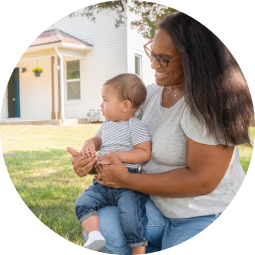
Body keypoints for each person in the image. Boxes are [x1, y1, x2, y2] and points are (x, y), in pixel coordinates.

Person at [67, 11, 253, 253]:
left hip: (201, 215)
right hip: (154, 204)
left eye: (163, 59)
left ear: (195, 59)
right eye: (152, 53)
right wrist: (93, 163)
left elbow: (202, 181)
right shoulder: (150, 95)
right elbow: (124, 145)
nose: (153, 64)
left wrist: (126, 179)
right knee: (104, 229)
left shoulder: (213, 106)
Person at [74, 73, 152, 254]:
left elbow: (144, 152)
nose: (101, 105)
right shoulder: (107, 124)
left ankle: (138, 251)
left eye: (105, 100)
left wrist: (117, 156)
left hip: (128, 183)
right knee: (83, 202)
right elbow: (97, 140)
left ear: (126, 106)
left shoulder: (135, 126)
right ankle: (94, 236)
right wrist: (89, 143)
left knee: (130, 216)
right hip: (102, 182)